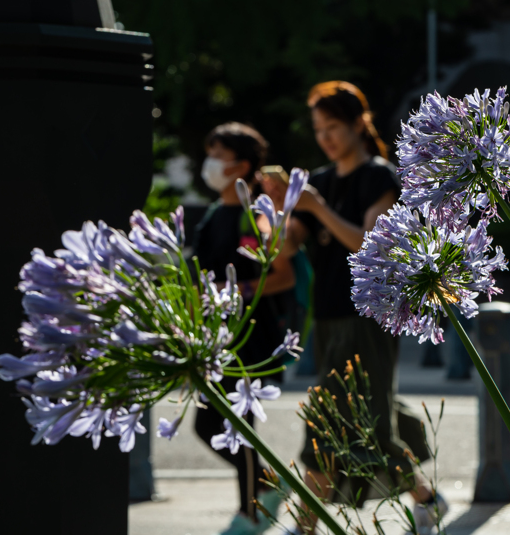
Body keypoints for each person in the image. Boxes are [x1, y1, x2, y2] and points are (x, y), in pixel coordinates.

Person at [261, 82, 447, 535]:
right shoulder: (318, 181)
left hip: (369, 316)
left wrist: (318, 208)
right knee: (370, 416)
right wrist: (274, 210)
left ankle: (305, 523)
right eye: (319, 129)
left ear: (358, 124)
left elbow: (368, 246)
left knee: (339, 417)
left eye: (334, 127)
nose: (325, 137)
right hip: (326, 317)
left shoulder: (379, 177)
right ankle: (426, 496)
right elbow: (284, 251)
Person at [191, 122, 293, 535]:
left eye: (220, 155)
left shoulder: (255, 215)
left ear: (243, 165)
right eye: (210, 153)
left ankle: (250, 516)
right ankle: (270, 484)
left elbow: (281, 273)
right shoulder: (216, 211)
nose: (211, 163)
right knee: (206, 424)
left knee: (239, 425)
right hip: (216, 337)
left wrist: (237, 289)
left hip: (250, 336)